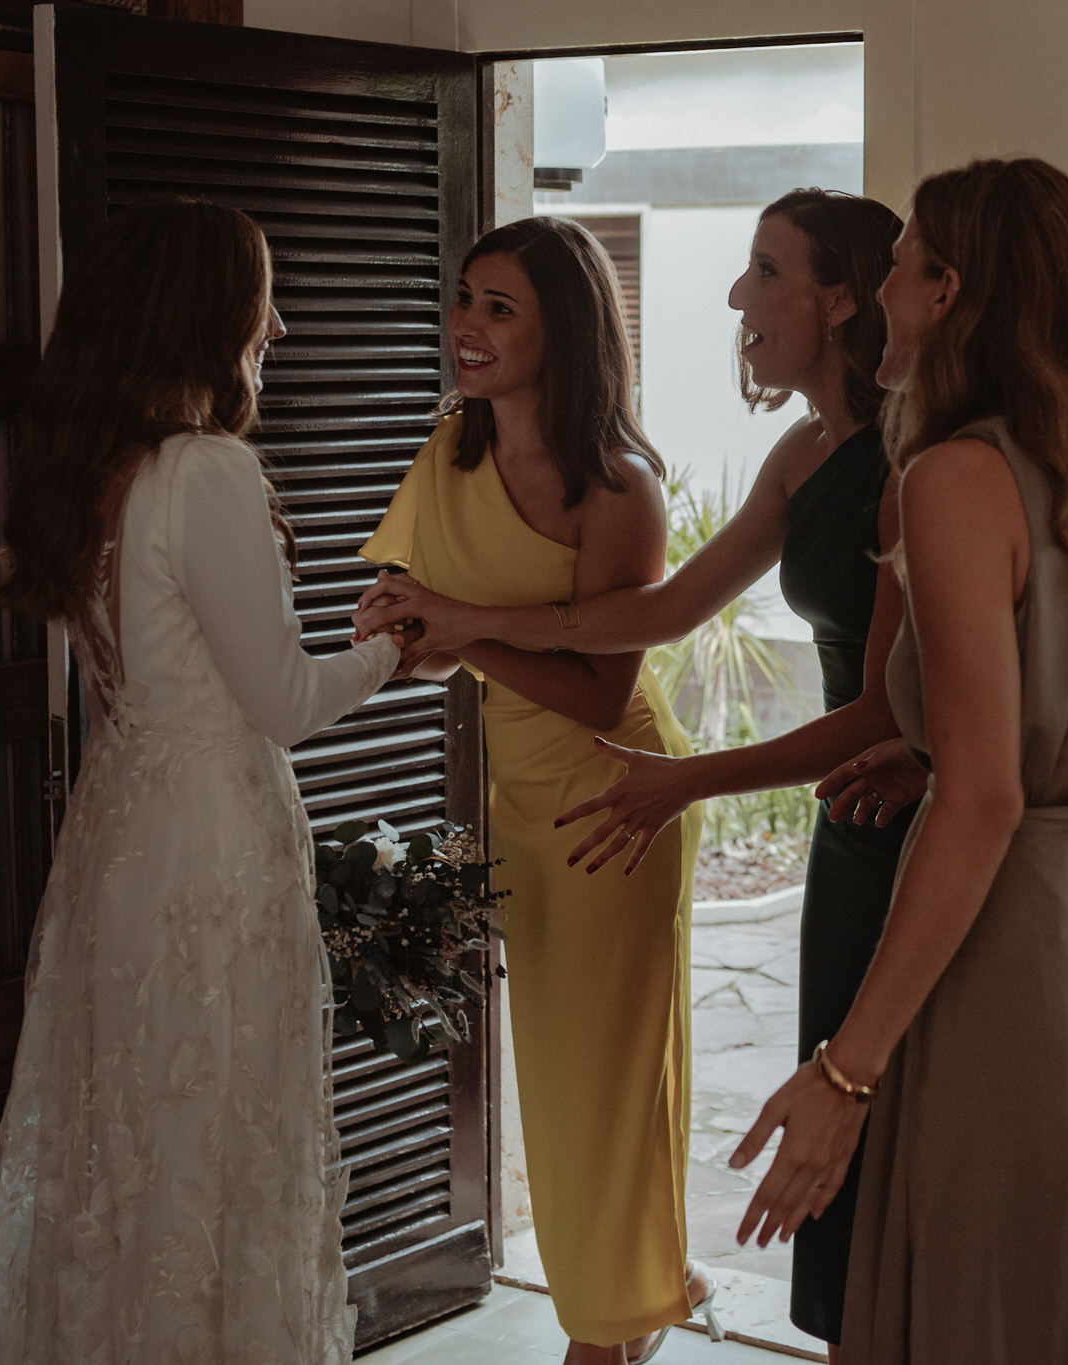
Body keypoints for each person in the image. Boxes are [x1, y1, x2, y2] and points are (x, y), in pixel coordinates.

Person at [729, 158, 1068, 1364]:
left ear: (947, 292)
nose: (881, 290)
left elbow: (983, 800)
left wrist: (843, 1074)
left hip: (1016, 978)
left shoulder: (955, 477)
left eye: (898, 265)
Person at [352, 188, 908, 1353]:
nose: (734, 294)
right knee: (603, 1072)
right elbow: (659, 611)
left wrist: (473, 629)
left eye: (764, 271)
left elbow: (879, 708)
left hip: (797, 794)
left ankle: (628, 1324)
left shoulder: (911, 460)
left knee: (788, 1089)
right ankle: (720, 1306)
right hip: (776, 810)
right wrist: (442, 630)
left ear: (841, 300)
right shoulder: (802, 451)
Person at [0, 199, 400, 1365]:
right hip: (210, 852)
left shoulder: (83, 474)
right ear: (204, 314)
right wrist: (397, 650)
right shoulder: (204, 471)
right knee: (212, 1147)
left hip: (118, 840)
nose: (278, 328)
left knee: (132, 1145)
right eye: (263, 300)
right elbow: (283, 702)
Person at [351, 216, 704, 1365]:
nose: (465, 324)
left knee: (604, 1074)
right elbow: (428, 641)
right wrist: (401, 634)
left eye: (499, 307)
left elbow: (601, 692)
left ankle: (604, 1333)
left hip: (614, 799)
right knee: (552, 1079)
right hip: (514, 800)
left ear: (567, 329)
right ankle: (639, 1288)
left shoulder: (619, 486)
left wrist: (461, 629)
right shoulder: (445, 457)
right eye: (464, 297)